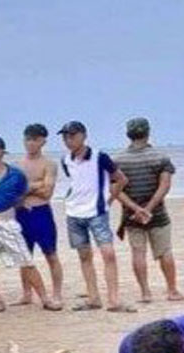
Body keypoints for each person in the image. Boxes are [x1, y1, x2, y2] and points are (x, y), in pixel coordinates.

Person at [0, 134, 61, 313]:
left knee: (26, 259)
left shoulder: (16, 175)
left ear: (0, 152)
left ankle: (45, 299)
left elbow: (20, 196)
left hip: (8, 219)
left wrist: (15, 207)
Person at [57, 121, 132, 312]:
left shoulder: (99, 157)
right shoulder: (66, 160)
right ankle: (93, 298)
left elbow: (121, 179)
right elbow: (75, 182)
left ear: (83, 135)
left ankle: (114, 299)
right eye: (65, 136)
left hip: (96, 212)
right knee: (84, 255)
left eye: (72, 135)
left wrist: (109, 199)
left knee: (108, 253)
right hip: (74, 212)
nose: (68, 140)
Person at [112, 118, 184, 302]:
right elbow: (165, 185)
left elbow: (115, 190)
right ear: (148, 132)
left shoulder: (118, 159)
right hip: (158, 212)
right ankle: (172, 290)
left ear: (128, 134)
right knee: (165, 252)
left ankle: (145, 293)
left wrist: (136, 209)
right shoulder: (160, 157)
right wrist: (149, 209)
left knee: (138, 252)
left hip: (131, 214)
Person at [14, 123, 63, 306]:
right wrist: (36, 185)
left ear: (43, 141)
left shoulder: (49, 164)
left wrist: (28, 188)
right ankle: (26, 294)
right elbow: (14, 193)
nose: (31, 143)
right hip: (21, 213)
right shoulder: (17, 165)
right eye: (28, 139)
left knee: (51, 254)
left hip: (42, 213)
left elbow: (48, 192)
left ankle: (57, 293)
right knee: (24, 256)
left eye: (35, 139)